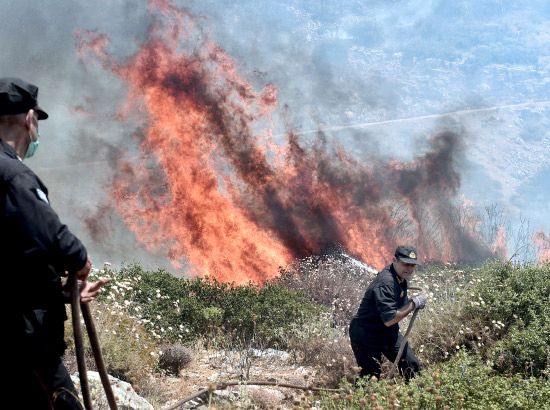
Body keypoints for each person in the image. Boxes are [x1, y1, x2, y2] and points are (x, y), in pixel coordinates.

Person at [0, 77, 110, 409]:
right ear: (29, 119)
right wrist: (80, 261)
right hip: (24, 341)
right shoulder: (14, 175)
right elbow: (51, 234)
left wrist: (60, 293)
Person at [349, 245, 427, 382]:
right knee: (370, 378)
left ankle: (414, 399)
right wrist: (414, 303)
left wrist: (414, 302)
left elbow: (398, 306)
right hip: (366, 334)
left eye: (412, 266)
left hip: (387, 332)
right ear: (394, 260)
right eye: (406, 264)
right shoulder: (386, 282)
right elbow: (390, 318)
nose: (409, 269)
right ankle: (359, 401)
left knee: (412, 365)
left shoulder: (401, 278)